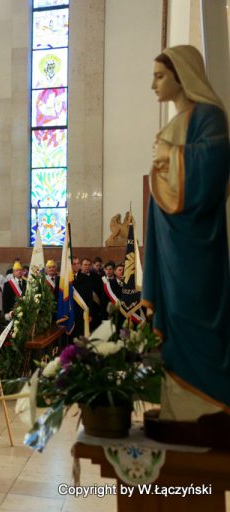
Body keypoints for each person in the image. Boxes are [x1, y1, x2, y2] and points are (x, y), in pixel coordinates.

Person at [144, 45, 230, 419]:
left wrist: (171, 155)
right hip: (169, 244)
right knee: (174, 315)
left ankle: (209, 404)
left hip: (196, 246)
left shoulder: (209, 116)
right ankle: (178, 407)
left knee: (196, 312)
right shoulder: (173, 125)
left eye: (160, 76)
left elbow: (215, 165)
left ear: (183, 76)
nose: (153, 85)